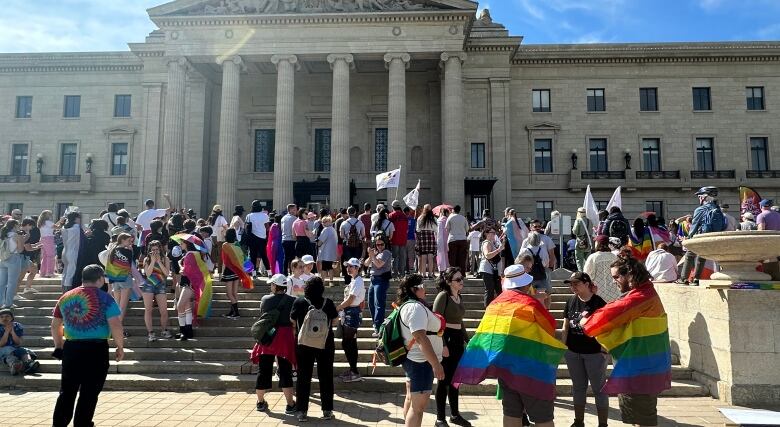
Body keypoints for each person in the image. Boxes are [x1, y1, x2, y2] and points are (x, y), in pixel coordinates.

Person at [453, 264, 566, 427]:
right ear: (526, 284)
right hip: (531, 370)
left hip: (506, 370)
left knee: (511, 414)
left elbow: (487, 336)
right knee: (543, 418)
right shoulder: (530, 304)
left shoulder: (494, 304)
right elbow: (549, 328)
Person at [581, 257, 672, 427]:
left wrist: (586, 322)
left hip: (640, 369)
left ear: (629, 276)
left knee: (644, 419)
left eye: (616, 277)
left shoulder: (640, 298)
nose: (614, 281)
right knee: (639, 417)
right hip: (644, 365)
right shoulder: (646, 293)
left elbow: (606, 317)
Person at [51, 264, 124, 427]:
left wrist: (59, 345)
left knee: (67, 391)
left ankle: (58, 424)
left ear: (83, 278)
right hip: (96, 350)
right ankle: (82, 424)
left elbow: (55, 325)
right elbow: (115, 325)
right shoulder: (105, 298)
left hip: (72, 349)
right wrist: (120, 347)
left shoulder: (66, 297)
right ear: (99, 279)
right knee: (90, 392)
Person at [396, 274, 445, 427]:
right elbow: (420, 338)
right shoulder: (415, 308)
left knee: (411, 401)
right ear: (413, 289)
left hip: (415, 359)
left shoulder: (410, 305)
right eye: (422, 286)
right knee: (418, 409)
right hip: (421, 362)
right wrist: (436, 364)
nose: (425, 289)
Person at [561, 272, 609, 427]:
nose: (572, 286)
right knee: (578, 388)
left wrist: (604, 348)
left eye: (576, 283)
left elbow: (608, 328)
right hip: (573, 352)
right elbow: (566, 326)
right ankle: (578, 422)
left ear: (587, 284)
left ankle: (603, 424)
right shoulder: (570, 301)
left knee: (599, 389)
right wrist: (563, 347)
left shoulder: (599, 303)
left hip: (594, 352)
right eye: (571, 284)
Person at [290, 276, 337, 422]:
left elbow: (292, 320)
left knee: (303, 376)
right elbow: (334, 320)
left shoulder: (299, 302)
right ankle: (327, 410)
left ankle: (301, 411)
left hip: (303, 344)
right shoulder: (327, 303)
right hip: (325, 344)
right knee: (326, 376)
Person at [252, 274, 296, 414]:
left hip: (268, 336)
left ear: (275, 286)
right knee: (285, 370)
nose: (270, 286)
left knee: (263, 370)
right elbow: (294, 320)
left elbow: (263, 315)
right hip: (285, 337)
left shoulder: (265, 299)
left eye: (271, 284)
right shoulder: (292, 301)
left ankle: (260, 402)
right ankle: (290, 404)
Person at [433, 268, 472, 427]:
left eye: (461, 278)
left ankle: (455, 415)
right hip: (446, 338)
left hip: (457, 340)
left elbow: (459, 322)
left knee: (455, 380)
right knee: (443, 381)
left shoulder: (458, 296)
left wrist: (467, 340)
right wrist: (442, 345)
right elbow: (436, 322)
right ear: (449, 282)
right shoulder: (443, 296)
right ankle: (440, 419)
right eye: (457, 279)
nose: (461, 281)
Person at [678, 186, 727, 285]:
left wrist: (689, 238)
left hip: (701, 237)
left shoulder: (700, 209)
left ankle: (683, 279)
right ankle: (697, 279)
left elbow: (694, 226)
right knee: (701, 257)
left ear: (704, 197)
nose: (699, 198)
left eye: (699, 196)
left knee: (689, 255)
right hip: (711, 237)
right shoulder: (717, 209)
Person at [336, 258, 365, 383]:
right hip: (349, 312)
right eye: (347, 266)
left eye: (351, 266)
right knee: (348, 342)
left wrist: (337, 308)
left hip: (352, 313)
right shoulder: (354, 280)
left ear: (357, 268)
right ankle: (353, 370)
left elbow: (351, 300)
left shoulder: (358, 281)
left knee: (348, 342)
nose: (348, 268)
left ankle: (354, 371)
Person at [141, 240, 172, 341]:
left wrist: (159, 261)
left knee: (164, 310)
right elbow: (148, 274)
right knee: (148, 309)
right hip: (148, 286)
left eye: (157, 249)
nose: (155, 252)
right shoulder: (146, 259)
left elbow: (167, 273)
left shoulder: (165, 259)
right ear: (149, 250)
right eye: (152, 250)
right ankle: (150, 332)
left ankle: (164, 330)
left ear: (160, 249)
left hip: (161, 285)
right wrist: (153, 261)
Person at [106, 233, 136, 334]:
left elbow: (109, 267)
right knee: (122, 306)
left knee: (117, 305)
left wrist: (110, 283)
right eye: (128, 241)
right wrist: (131, 251)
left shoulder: (112, 250)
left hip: (114, 279)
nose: (130, 243)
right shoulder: (127, 251)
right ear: (122, 240)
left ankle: (112, 328)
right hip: (125, 279)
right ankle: (118, 329)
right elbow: (129, 264)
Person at [0, 307, 40, 375]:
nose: (4, 318)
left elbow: (18, 343)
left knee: (23, 351)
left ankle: (29, 363)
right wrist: (6, 332)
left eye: (7, 316)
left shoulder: (17, 326)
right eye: (1, 317)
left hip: (16, 348)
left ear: (12, 318)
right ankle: (15, 365)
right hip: (3, 350)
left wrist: (12, 332)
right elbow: (1, 344)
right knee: (8, 354)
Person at [365, 236, 392, 336]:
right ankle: (375, 324)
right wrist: (370, 255)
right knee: (371, 303)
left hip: (381, 280)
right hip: (373, 279)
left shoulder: (386, 253)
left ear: (385, 244)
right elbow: (366, 264)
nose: (379, 246)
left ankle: (379, 326)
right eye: (377, 244)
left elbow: (379, 265)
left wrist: (373, 256)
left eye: (381, 244)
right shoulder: (375, 253)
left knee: (379, 304)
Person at [584, 236, 621, 303]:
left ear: (598, 243)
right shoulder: (614, 257)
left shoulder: (593, 257)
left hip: (598, 292)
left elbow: (586, 275)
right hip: (614, 292)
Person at [518, 232, 551, 308]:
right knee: (542, 296)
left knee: (529, 295)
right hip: (540, 276)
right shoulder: (542, 249)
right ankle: (545, 312)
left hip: (527, 277)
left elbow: (518, 262)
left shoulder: (524, 250)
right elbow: (546, 262)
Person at [1, 219, 27, 309]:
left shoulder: (3, 235)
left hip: (3, 259)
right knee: (12, 282)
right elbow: (20, 250)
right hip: (14, 258)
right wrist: (23, 239)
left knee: (2, 283)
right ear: (14, 226)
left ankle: (1, 303)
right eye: (18, 225)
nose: (19, 226)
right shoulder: (16, 235)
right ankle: (8, 303)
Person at [339, 207, 365, 285]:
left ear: (347, 213)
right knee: (356, 262)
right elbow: (363, 235)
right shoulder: (360, 223)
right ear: (355, 213)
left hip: (347, 245)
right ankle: (356, 279)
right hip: (357, 245)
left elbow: (341, 236)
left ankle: (347, 280)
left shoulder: (344, 223)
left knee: (348, 262)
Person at [478, 229, 503, 307]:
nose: (494, 234)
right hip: (487, 269)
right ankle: (488, 309)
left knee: (497, 290)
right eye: (492, 233)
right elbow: (487, 255)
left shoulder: (492, 243)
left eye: (495, 233)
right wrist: (499, 250)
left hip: (492, 270)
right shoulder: (487, 243)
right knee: (489, 290)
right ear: (486, 233)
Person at [246, 201, 271, 276]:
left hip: (252, 237)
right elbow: (267, 228)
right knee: (264, 255)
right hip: (262, 238)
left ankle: (254, 274)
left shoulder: (249, 216)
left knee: (253, 256)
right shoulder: (265, 215)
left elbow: (247, 226)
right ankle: (269, 273)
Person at [60, 212, 83, 292]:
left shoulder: (64, 227)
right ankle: (68, 290)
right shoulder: (76, 227)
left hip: (65, 250)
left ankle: (63, 288)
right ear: (76, 218)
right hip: (73, 251)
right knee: (71, 271)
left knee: (65, 271)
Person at [416, 205, 438, 279]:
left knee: (423, 257)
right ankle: (431, 274)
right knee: (430, 257)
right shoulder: (434, 218)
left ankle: (424, 274)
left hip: (422, 236)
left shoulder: (420, 218)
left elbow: (418, 230)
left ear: (424, 209)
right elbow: (436, 230)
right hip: (431, 236)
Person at [317, 216, 338, 286]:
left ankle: (323, 282)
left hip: (326, 253)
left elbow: (320, 241)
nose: (323, 223)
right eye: (322, 222)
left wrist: (317, 244)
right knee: (330, 267)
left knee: (324, 268)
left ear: (329, 221)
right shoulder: (333, 230)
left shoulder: (326, 230)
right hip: (332, 253)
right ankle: (331, 281)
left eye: (324, 222)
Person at [208, 205, 229, 273]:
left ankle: (211, 271)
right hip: (219, 238)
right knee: (220, 255)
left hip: (211, 238)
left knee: (211, 254)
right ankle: (220, 271)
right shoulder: (221, 218)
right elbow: (226, 227)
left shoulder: (210, 218)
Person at [572, 207, 593, 272]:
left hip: (580, 242)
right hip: (588, 241)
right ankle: (588, 272)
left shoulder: (578, 220)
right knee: (588, 259)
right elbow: (591, 231)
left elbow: (575, 231)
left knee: (579, 259)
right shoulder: (590, 221)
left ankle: (581, 273)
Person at [38, 210, 57, 278]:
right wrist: (61, 221)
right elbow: (57, 227)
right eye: (50, 214)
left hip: (42, 239)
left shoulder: (41, 223)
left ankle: (43, 272)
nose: (51, 215)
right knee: (51, 256)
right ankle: (49, 272)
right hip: (49, 239)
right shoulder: (48, 222)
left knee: (45, 256)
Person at [281, 204, 298, 275]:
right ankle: (292, 272)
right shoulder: (295, 219)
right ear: (290, 210)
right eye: (294, 209)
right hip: (292, 240)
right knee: (292, 258)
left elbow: (282, 229)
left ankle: (284, 273)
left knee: (286, 257)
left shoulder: (283, 218)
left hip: (284, 240)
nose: (296, 211)